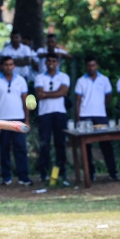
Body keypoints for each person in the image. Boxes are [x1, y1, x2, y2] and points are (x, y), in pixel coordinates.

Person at [0, 56, 33, 185]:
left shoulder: (21, 80)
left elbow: (25, 101)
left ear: (14, 66)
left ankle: (23, 176)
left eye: (11, 64)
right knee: (4, 148)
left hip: (19, 119)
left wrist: (27, 120)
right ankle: (6, 177)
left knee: (21, 148)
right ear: (2, 66)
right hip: (2, 120)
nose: (8, 67)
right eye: (6, 64)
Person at [75, 55, 118, 181]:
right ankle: (90, 173)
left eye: (93, 65)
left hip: (100, 115)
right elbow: (78, 101)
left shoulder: (104, 79)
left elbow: (109, 96)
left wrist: (99, 105)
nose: (91, 68)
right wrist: (78, 118)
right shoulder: (81, 81)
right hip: (85, 115)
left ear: (97, 66)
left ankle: (113, 172)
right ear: (86, 66)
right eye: (89, 65)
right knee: (86, 146)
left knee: (106, 143)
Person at [35, 53, 70, 184]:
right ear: (45, 63)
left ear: (58, 63)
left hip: (60, 113)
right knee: (45, 144)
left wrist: (46, 94)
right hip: (44, 113)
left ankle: (62, 172)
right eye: (49, 60)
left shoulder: (64, 76)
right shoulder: (39, 77)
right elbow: (39, 94)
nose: (51, 63)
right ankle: (44, 173)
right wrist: (57, 93)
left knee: (60, 143)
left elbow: (63, 92)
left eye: (54, 61)